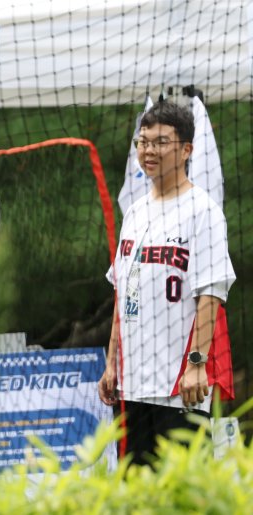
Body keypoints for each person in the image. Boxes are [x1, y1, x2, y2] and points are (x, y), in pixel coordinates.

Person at [98, 100, 236, 465]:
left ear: (187, 149)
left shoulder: (203, 211)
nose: (148, 151)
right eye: (142, 142)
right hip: (131, 386)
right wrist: (111, 363)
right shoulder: (135, 212)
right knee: (136, 489)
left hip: (179, 387)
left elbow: (210, 294)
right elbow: (122, 292)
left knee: (181, 492)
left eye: (160, 142)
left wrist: (196, 364)